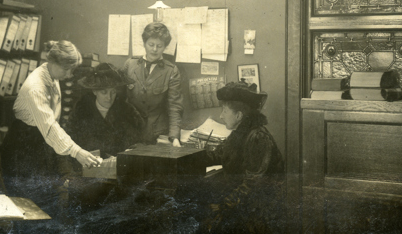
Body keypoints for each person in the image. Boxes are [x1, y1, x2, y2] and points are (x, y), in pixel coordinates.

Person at [1, 40, 101, 185]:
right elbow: (49, 126)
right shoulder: (36, 87)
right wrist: (77, 152)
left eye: (72, 70)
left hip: (41, 140)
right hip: (25, 145)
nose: (69, 75)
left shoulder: (51, 74)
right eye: (66, 69)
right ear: (53, 62)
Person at [199, 80, 285, 233]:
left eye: (225, 111)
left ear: (238, 115)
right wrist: (193, 155)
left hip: (259, 213)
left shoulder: (257, 137)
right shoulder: (239, 134)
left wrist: (223, 205)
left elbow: (252, 185)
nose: (221, 115)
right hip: (242, 205)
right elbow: (217, 155)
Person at [122, 22, 183, 146]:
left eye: (159, 46)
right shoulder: (130, 65)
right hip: (131, 130)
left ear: (165, 47)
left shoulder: (171, 70)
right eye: (151, 44)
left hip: (158, 134)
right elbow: (120, 99)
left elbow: (175, 106)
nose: (154, 49)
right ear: (144, 43)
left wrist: (174, 137)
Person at [69, 63, 145, 159]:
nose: (109, 98)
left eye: (113, 92)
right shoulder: (81, 111)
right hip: (88, 166)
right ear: (94, 91)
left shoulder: (128, 111)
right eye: (104, 92)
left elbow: (138, 141)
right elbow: (70, 143)